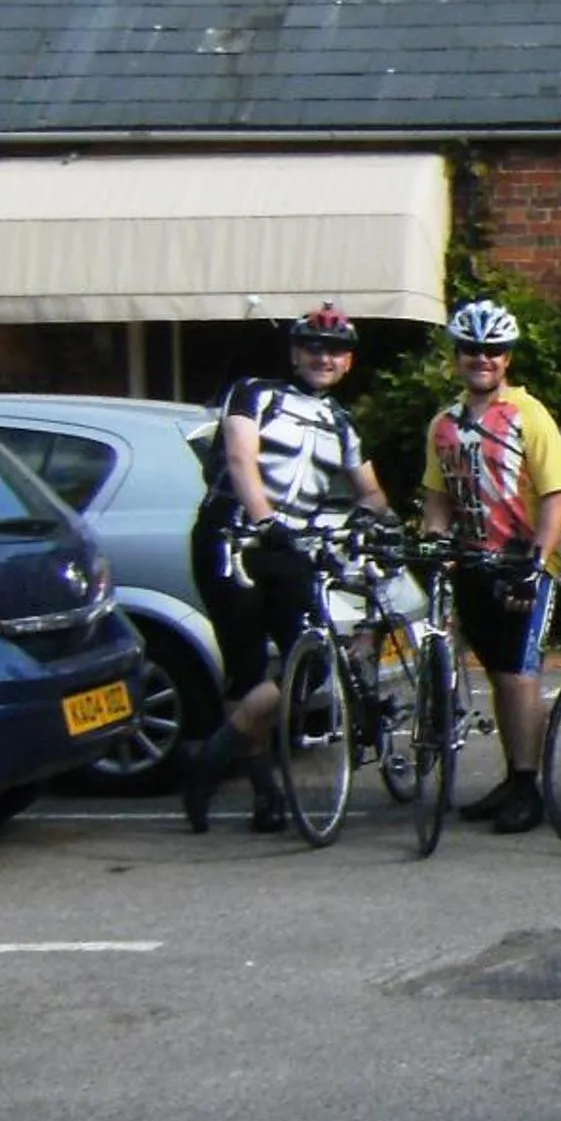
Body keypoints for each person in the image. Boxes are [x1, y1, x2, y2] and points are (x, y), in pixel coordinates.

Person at [180, 304, 395, 833]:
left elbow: (370, 492)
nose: (324, 357)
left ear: (348, 362)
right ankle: (265, 795)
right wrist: (264, 517)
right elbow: (239, 459)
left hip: (291, 549)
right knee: (249, 668)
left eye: (336, 350)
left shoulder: (342, 424)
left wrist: (380, 524)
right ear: (296, 352)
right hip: (233, 539)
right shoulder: (255, 393)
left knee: (312, 664)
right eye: (314, 347)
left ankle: (209, 759)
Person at [420, 300, 561, 837]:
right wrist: (433, 539)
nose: (481, 359)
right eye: (471, 350)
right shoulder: (444, 423)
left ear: (507, 358)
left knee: (519, 673)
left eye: (492, 351)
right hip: (471, 562)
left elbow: (558, 494)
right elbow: (437, 496)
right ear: (458, 356)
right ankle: (513, 777)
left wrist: (538, 557)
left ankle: (530, 786)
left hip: (521, 563)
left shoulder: (529, 416)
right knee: (496, 672)